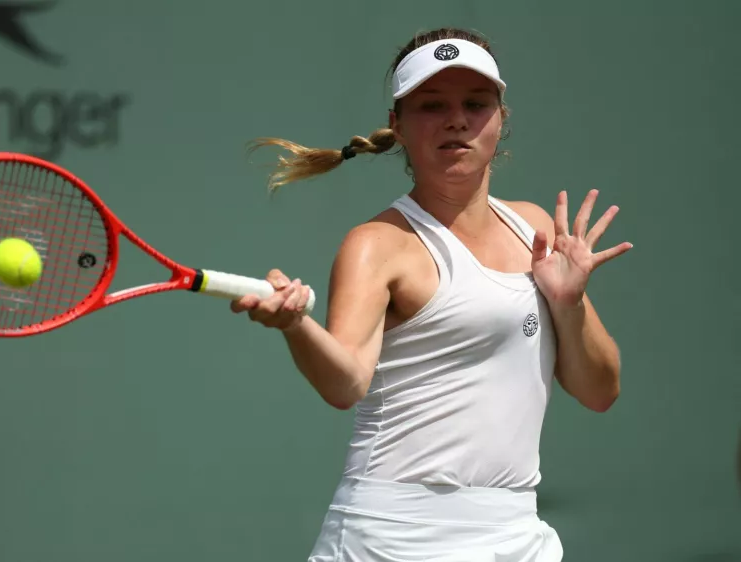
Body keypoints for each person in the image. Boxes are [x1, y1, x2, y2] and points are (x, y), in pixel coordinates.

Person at [232, 27, 632, 561]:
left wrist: (568, 302)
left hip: (516, 536)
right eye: (431, 105)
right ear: (397, 125)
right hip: (393, 537)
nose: (457, 119)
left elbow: (601, 391)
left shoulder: (533, 228)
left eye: (476, 103)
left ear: (500, 118)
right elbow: (346, 381)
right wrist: (295, 324)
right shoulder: (376, 244)